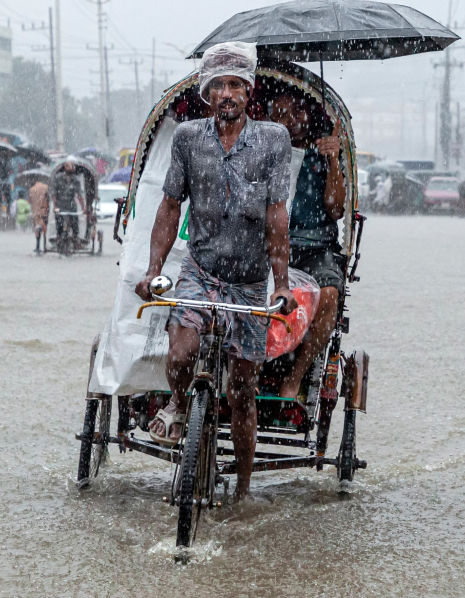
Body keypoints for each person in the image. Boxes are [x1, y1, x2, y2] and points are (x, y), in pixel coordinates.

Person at [134, 41, 296, 502]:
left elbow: (277, 215)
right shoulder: (188, 138)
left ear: (249, 90)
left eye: (235, 85)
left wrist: (281, 286)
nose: (227, 93)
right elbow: (169, 208)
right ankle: (182, 406)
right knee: (181, 355)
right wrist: (152, 270)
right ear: (207, 94)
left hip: (247, 283)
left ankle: (243, 490)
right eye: (218, 86)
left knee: (244, 388)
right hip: (199, 272)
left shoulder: (272, 141)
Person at [267, 93, 347, 399]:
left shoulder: (320, 153)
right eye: (283, 114)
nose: (291, 121)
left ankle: (295, 377)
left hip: (315, 248)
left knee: (329, 295)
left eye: (297, 112)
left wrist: (331, 159)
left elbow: (335, 209)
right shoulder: (263, 149)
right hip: (269, 246)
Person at [51, 162, 83, 249]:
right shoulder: (58, 178)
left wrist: (83, 208)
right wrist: (55, 205)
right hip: (60, 205)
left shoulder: (76, 180)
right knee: (58, 220)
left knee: (75, 222)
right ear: (65, 168)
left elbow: (79, 195)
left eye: (72, 168)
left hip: (71, 206)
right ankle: (58, 235)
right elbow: (54, 193)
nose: (70, 169)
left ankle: (76, 237)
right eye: (68, 167)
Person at [28, 178, 50, 253]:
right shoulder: (45, 187)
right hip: (44, 209)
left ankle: (37, 246)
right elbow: (48, 198)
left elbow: (30, 200)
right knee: (44, 227)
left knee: (37, 228)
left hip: (35, 211)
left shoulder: (32, 189)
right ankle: (45, 245)